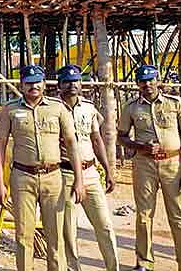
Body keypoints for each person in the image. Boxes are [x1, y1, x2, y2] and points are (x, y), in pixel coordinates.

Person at [0, 64, 84, 271]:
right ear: (21, 85)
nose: (33, 86)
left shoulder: (58, 108)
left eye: (37, 82)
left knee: (56, 235)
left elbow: (71, 144)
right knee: (23, 235)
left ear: (44, 84)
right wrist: (0, 183)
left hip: (53, 178)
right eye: (29, 83)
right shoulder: (10, 109)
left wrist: (79, 180)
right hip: (22, 178)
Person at [118, 64, 181, 271]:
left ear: (158, 80)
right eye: (143, 81)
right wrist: (140, 146)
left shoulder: (175, 103)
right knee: (144, 215)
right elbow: (121, 137)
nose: (147, 84)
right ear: (137, 84)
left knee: (178, 215)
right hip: (144, 164)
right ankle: (144, 262)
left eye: (151, 79)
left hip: (173, 164)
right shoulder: (131, 108)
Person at [57, 64, 119, 271]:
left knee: (105, 225)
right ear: (59, 85)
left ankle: (113, 267)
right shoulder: (53, 109)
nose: (72, 85)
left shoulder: (88, 108)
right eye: (67, 82)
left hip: (90, 173)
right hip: (65, 174)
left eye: (75, 81)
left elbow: (96, 139)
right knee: (69, 231)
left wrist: (108, 170)